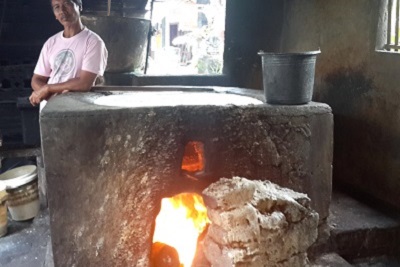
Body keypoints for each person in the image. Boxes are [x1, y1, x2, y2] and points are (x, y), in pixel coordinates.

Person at [29, 0, 108, 106]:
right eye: (57, 7)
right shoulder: (51, 42)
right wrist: (53, 97)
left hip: (76, 110)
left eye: (67, 4)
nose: (62, 10)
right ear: (55, 15)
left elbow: (84, 84)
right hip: (48, 110)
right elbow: (37, 79)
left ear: (79, 6)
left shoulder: (93, 42)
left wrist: (48, 88)